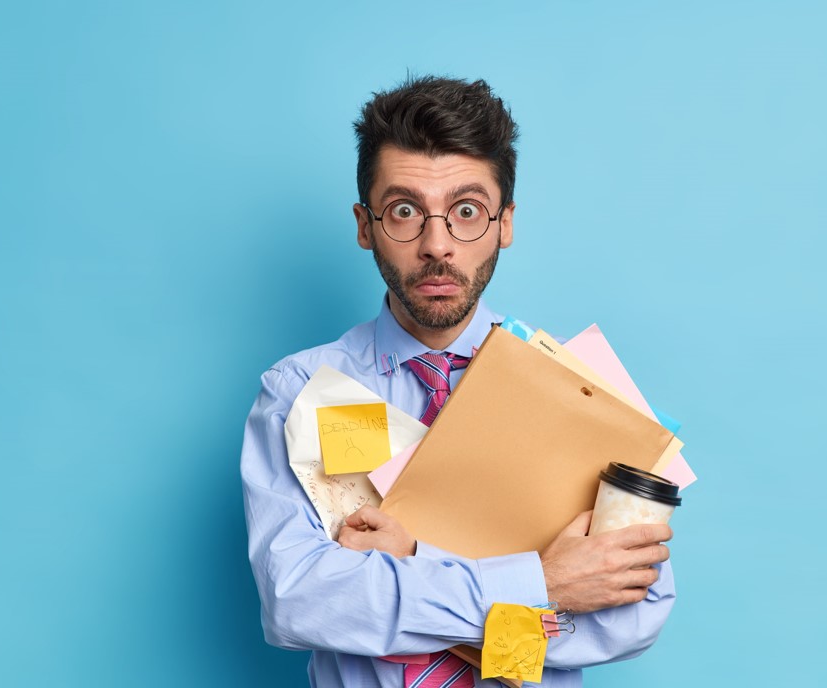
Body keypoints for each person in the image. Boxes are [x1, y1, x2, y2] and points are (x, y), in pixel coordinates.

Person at [241, 76, 675, 687]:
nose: (437, 245)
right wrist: (542, 584)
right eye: (404, 211)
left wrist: (410, 569)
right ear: (365, 225)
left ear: (506, 223)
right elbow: (301, 603)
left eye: (467, 211)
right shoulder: (303, 392)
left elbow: (634, 615)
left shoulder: (581, 391)